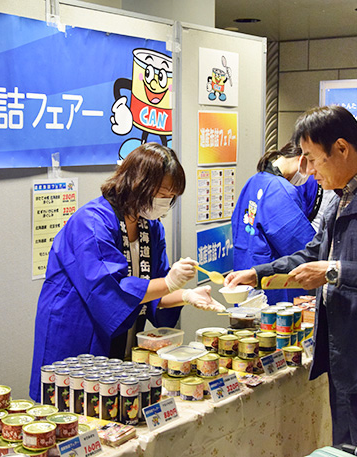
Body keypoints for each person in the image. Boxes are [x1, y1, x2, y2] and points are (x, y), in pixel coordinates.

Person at [226, 106, 357, 456]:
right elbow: (311, 253)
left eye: (311, 158)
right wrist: (259, 274)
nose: (307, 170)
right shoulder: (341, 199)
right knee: (347, 449)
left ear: (341, 148)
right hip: (349, 358)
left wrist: (333, 271)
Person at [29, 143, 225, 402]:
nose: (165, 203)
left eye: (171, 196)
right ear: (137, 183)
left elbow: (150, 293)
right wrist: (168, 283)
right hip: (77, 329)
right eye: (162, 193)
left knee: (115, 410)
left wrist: (186, 295)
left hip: (121, 334)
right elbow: (112, 291)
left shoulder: (151, 228)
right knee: (73, 410)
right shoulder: (92, 223)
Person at [231, 142, 316, 304]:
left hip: (246, 271)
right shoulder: (281, 190)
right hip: (271, 283)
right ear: (302, 159)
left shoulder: (254, 181)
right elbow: (302, 246)